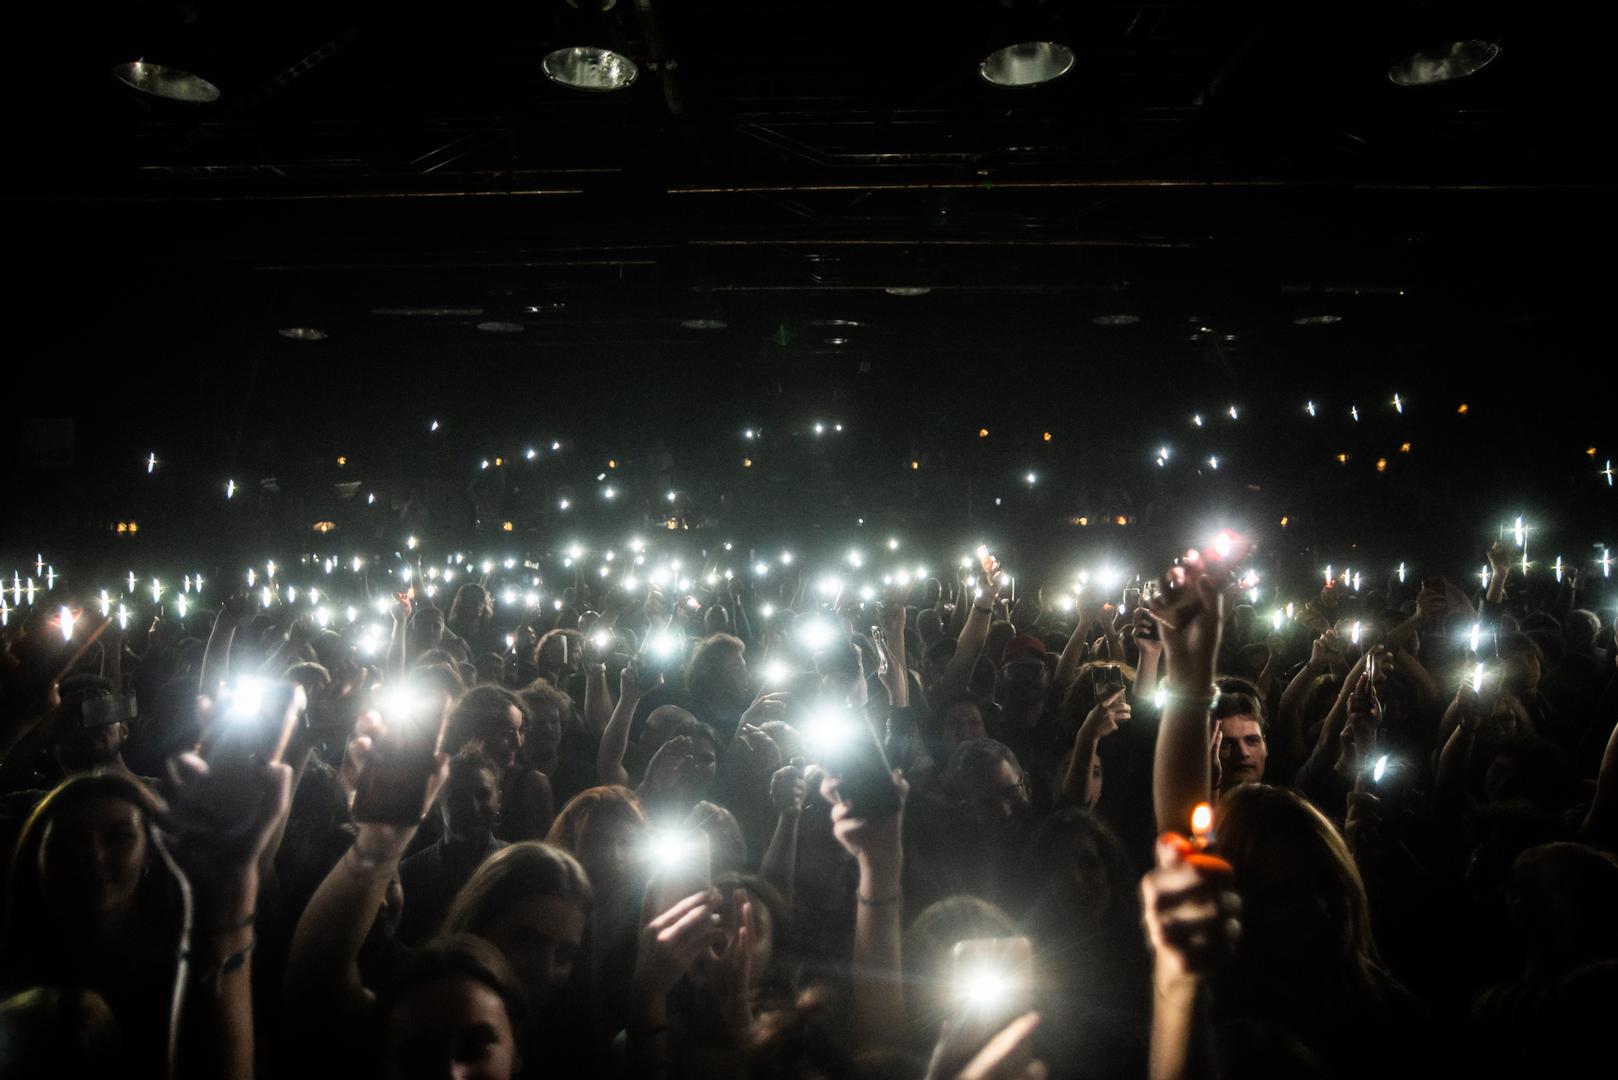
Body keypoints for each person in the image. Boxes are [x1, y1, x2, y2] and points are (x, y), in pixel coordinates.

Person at [397, 745, 508, 944]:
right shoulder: (411, 873)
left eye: (483, 794)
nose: (473, 807)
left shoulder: (517, 867)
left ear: (498, 801)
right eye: (459, 797)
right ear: (437, 804)